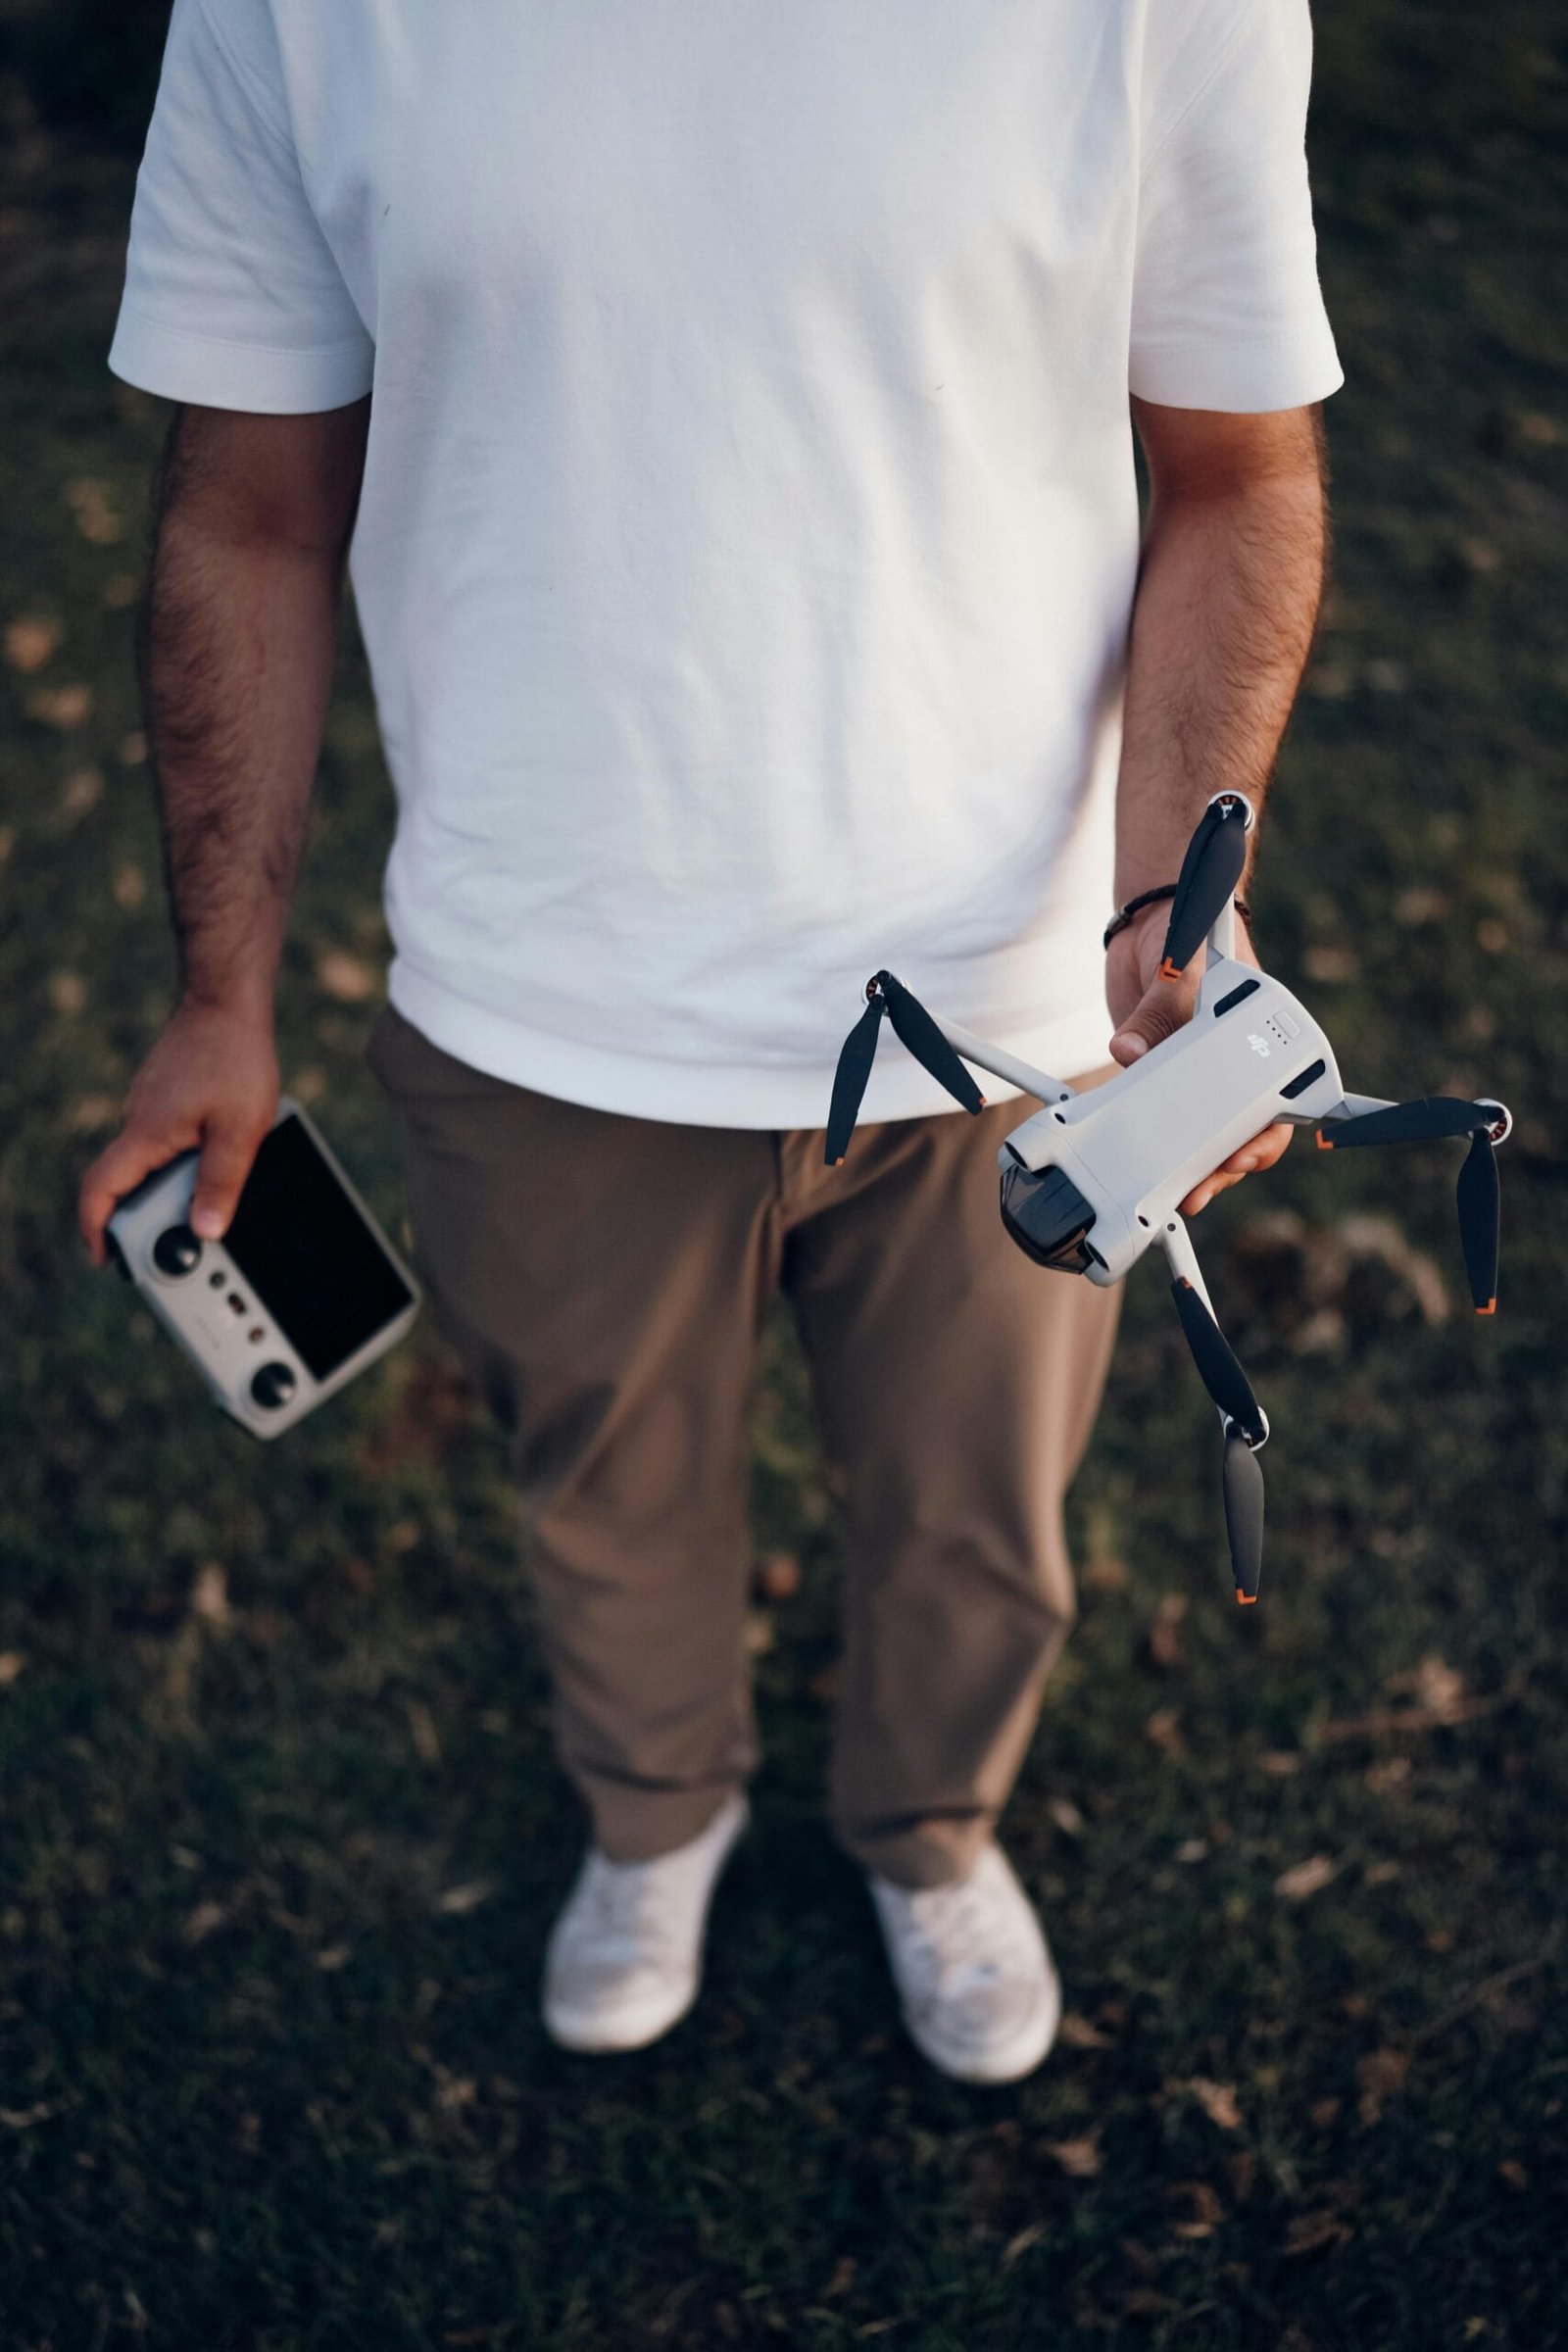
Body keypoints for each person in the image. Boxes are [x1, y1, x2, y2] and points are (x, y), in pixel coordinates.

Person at [79, 0, 1340, 2083]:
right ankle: (654, 1813)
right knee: (601, 1488)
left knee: (974, 1511)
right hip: (540, 1002)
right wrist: (220, 995)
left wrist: (1167, 916)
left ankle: (928, 1837)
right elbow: (244, 511)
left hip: (1012, 1014)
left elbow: (1236, 471)